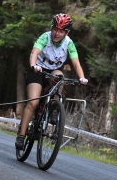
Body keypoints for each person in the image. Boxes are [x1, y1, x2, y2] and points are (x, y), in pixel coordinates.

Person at [15, 13, 88, 149]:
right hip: (38, 70)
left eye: (61, 31)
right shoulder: (45, 37)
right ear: (52, 28)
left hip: (53, 71)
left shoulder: (69, 43)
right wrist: (33, 65)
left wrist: (82, 77)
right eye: (55, 29)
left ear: (66, 32)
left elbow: (76, 63)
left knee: (60, 76)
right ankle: (21, 135)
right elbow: (34, 53)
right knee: (33, 102)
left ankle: (54, 108)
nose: (57, 33)